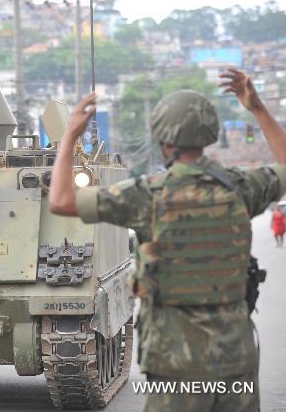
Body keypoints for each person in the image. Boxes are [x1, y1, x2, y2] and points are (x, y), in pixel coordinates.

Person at [48, 73, 286, 410]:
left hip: (176, 359)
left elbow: (59, 200)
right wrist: (258, 108)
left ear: (163, 139)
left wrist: (70, 135)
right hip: (236, 356)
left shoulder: (146, 196)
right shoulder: (240, 188)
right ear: (208, 134)